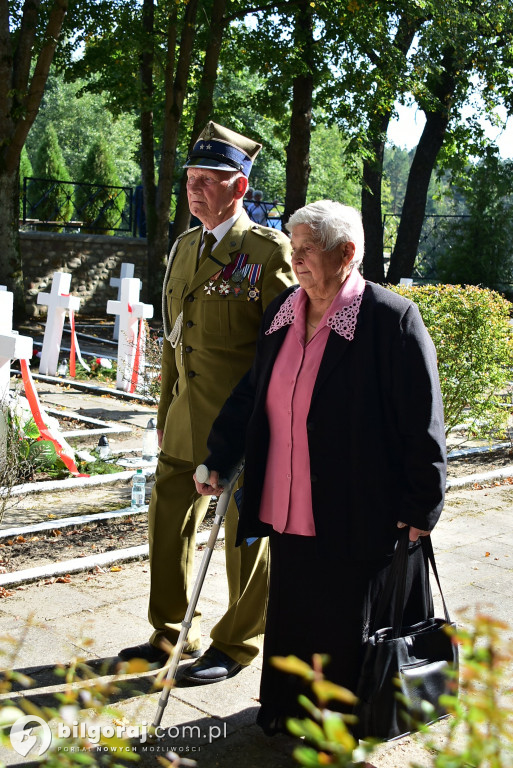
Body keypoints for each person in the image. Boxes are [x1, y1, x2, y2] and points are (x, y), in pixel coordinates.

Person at [194, 200, 447, 731]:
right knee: (292, 613)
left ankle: (340, 722)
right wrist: (218, 456)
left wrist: (423, 503)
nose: (297, 257)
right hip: (285, 500)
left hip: (355, 505)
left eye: (309, 248)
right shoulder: (285, 309)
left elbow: (422, 419)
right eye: (294, 246)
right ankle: (285, 708)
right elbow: (252, 394)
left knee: (341, 621)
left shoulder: (389, 318)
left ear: (346, 253)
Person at [119, 122, 294, 683]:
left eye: (208, 180)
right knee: (166, 523)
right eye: (190, 179)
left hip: (243, 425)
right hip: (185, 417)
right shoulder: (184, 247)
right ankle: (171, 630)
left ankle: (236, 643)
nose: (194, 190)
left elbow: (282, 352)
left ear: (238, 188)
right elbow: (176, 341)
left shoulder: (267, 253)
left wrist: (269, 431)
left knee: (245, 539)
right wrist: (165, 413)